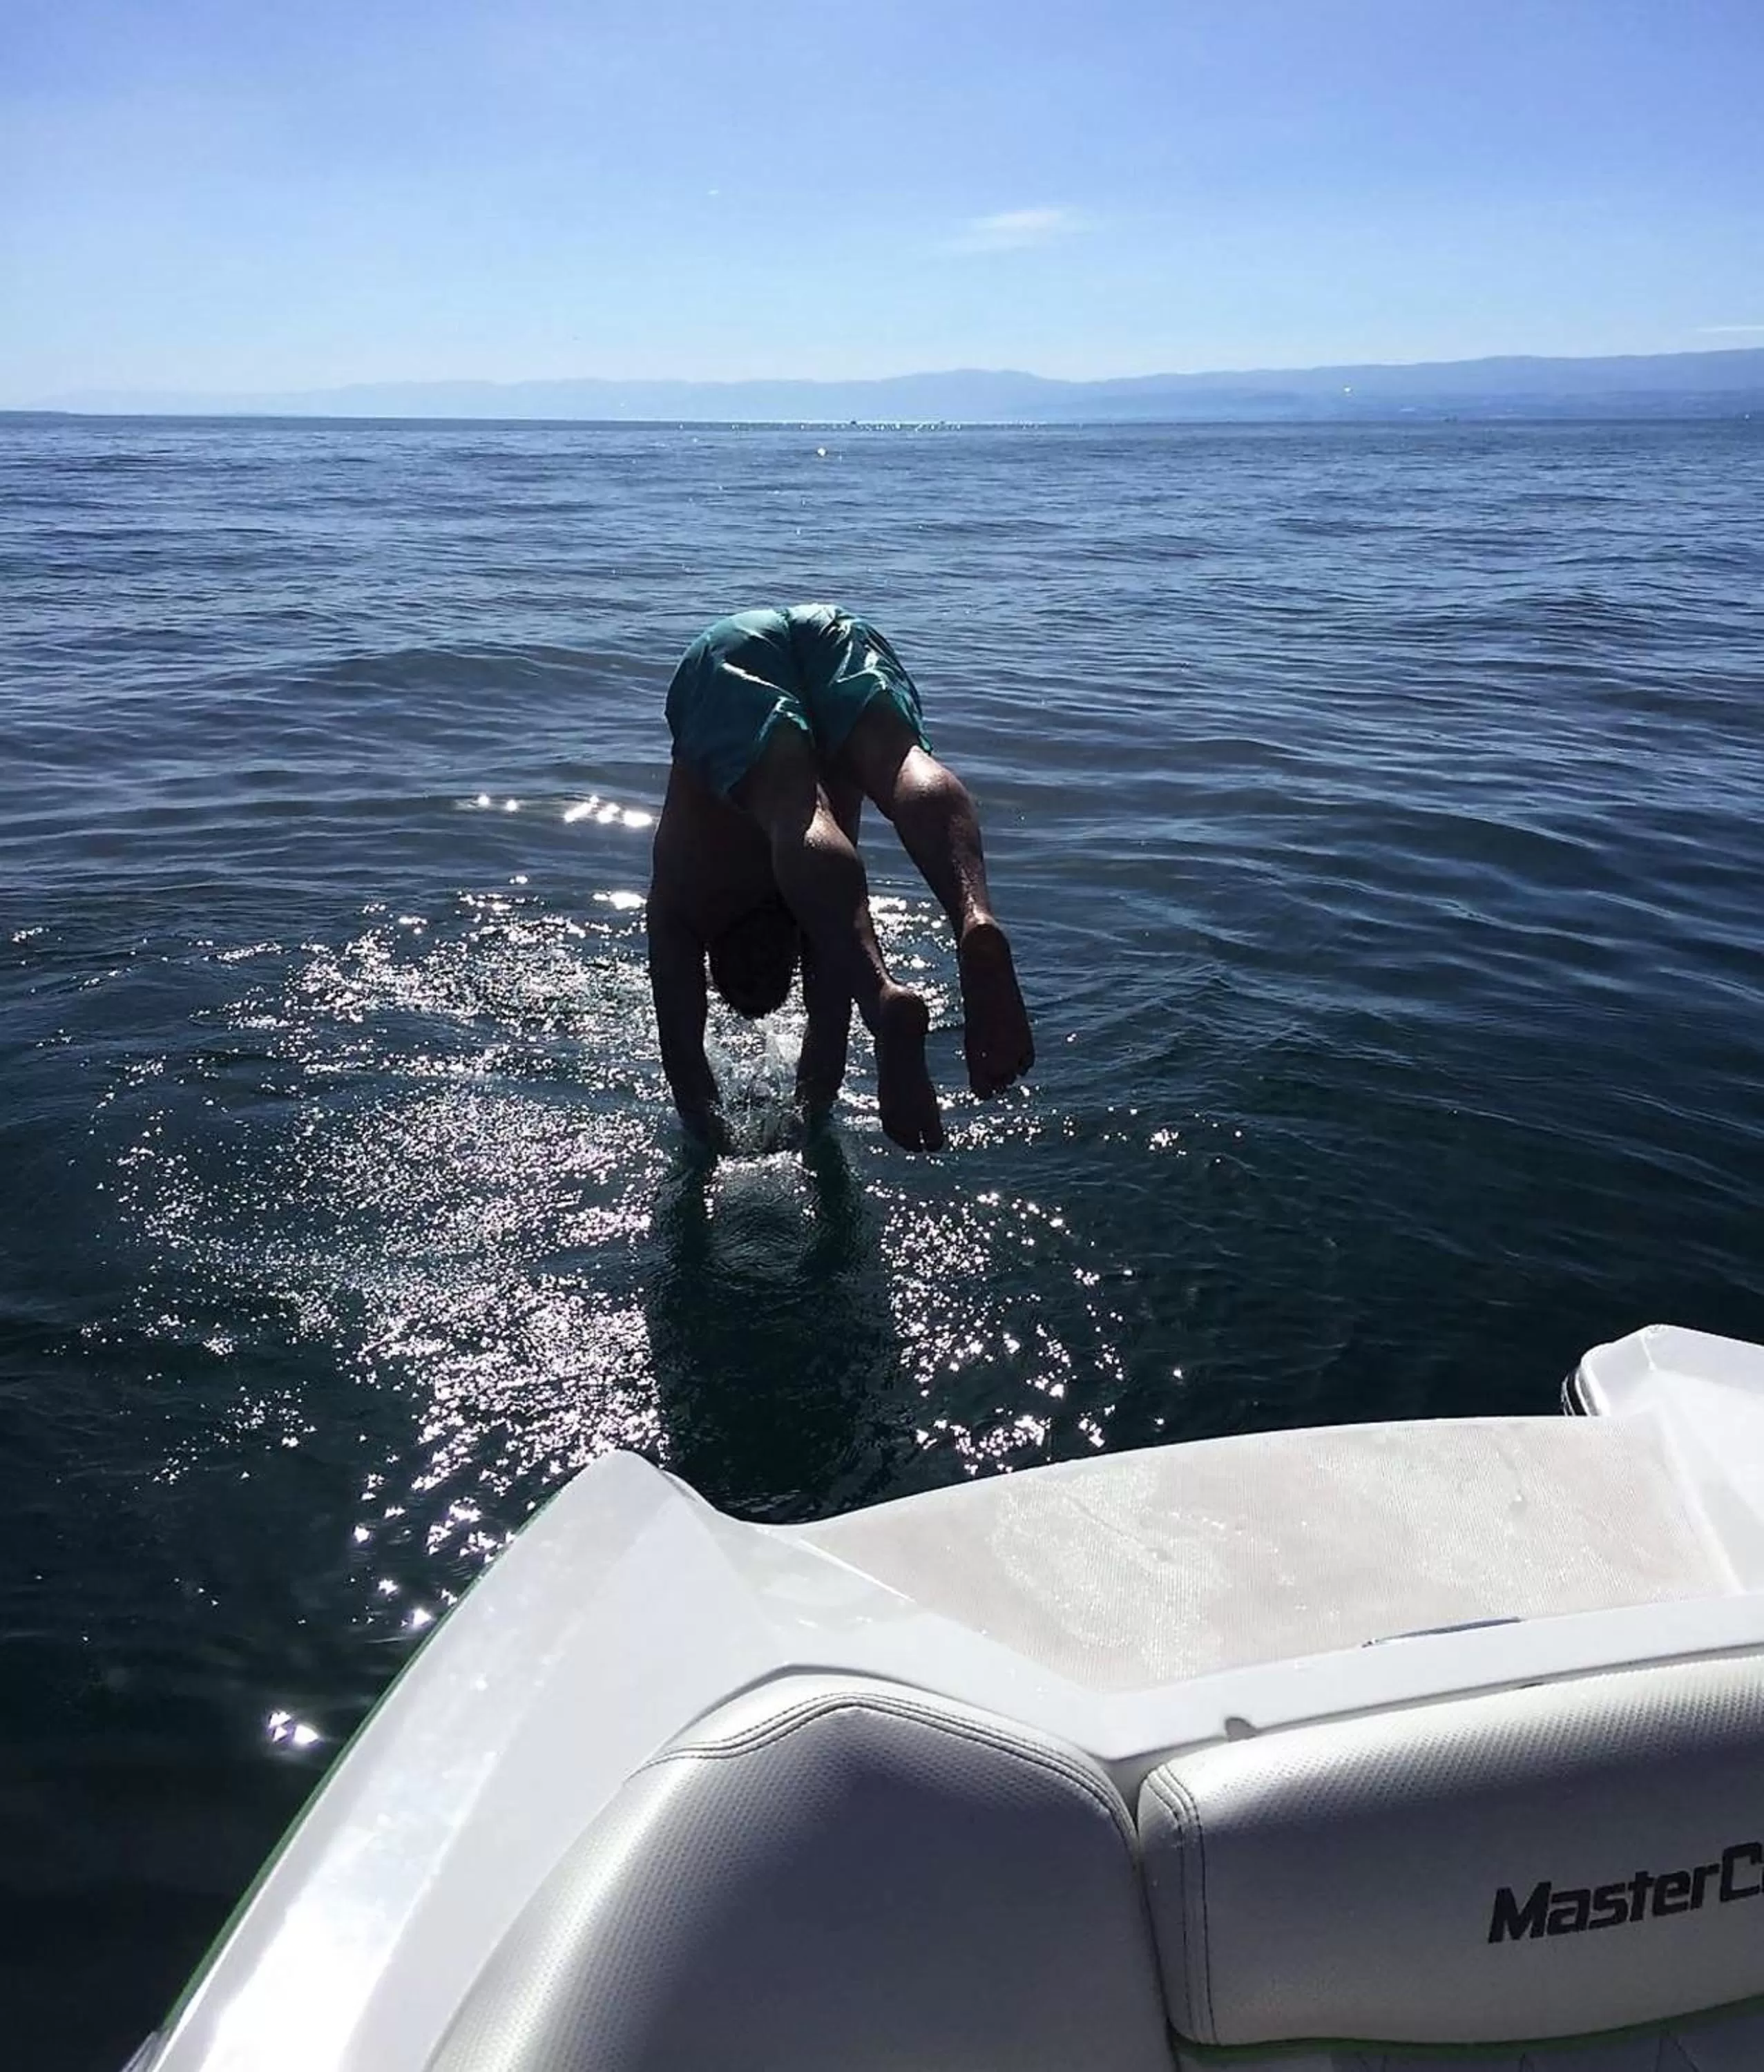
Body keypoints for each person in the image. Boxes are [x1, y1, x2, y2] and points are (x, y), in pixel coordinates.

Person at [646, 603, 1033, 1153]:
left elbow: (688, 1068)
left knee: (794, 807)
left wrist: (724, 1145)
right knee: (899, 761)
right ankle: (974, 913)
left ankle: (880, 993)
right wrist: (808, 1120)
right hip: (819, 627)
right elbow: (808, 1047)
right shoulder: (809, 913)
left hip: (731, 655)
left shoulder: (735, 913)